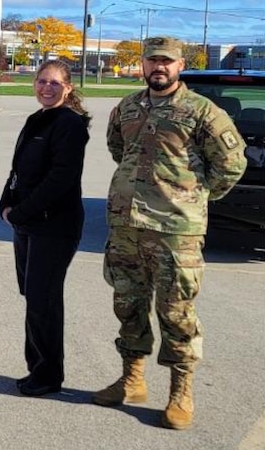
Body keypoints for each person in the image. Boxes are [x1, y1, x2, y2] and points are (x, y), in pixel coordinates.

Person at [93, 36, 246, 430]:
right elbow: (117, 149)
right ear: (142, 65)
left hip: (176, 231)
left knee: (176, 312)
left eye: (167, 61)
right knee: (127, 304)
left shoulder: (202, 112)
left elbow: (231, 164)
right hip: (127, 225)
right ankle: (133, 379)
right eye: (152, 61)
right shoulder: (127, 107)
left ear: (180, 66)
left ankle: (181, 392)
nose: (158, 67)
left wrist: (193, 197)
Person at [0, 59, 90, 397]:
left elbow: (60, 179)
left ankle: (49, 374)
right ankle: (35, 366)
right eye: (41, 81)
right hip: (27, 223)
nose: (46, 88)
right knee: (32, 296)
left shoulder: (69, 124)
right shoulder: (36, 119)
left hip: (55, 226)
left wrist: (22, 212)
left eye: (54, 83)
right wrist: (8, 202)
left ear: (68, 88)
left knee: (44, 300)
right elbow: (18, 169)